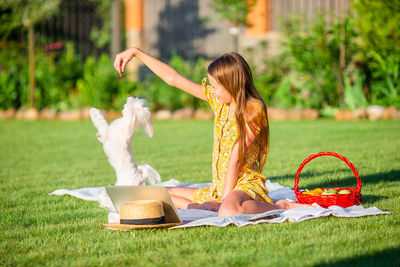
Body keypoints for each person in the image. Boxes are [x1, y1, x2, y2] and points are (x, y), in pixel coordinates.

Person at [114, 48, 311, 217]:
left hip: (244, 186)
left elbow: (235, 158)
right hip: (220, 188)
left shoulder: (253, 109)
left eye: (215, 86)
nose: (212, 90)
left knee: (228, 210)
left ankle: (278, 206)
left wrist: (222, 201)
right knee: (158, 193)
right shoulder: (219, 102)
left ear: (231, 84)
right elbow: (173, 78)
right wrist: (136, 52)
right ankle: (204, 207)